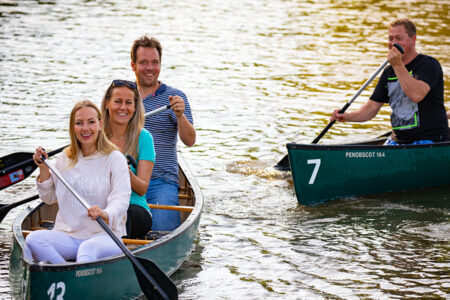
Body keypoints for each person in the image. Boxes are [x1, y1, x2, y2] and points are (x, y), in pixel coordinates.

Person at [25, 100, 130, 264]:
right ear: (73, 127)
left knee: (87, 249)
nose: (85, 128)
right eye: (79, 123)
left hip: (104, 237)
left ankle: (69, 278)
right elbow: (48, 198)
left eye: (91, 122)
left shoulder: (115, 158)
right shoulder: (65, 157)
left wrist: (105, 213)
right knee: (33, 240)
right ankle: (63, 274)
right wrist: (43, 168)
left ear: (100, 124)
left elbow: (121, 199)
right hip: (68, 236)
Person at [331, 18, 449, 145]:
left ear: (413, 40)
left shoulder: (428, 64)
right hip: (398, 141)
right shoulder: (389, 72)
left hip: (430, 140)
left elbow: (417, 95)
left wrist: (398, 65)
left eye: (399, 38)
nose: (393, 43)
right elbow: (371, 107)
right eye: (390, 38)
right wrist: (348, 116)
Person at [130, 36, 196, 231]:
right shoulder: (123, 98)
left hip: (161, 180)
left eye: (155, 62)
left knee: (162, 233)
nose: (150, 68)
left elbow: (190, 141)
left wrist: (180, 115)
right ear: (133, 65)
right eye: (143, 62)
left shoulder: (175, 97)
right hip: (126, 179)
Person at [101, 79, 155, 238]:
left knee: (123, 214)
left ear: (135, 107)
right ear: (107, 104)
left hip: (133, 206)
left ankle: (115, 251)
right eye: (117, 101)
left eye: (128, 103)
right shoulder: (94, 135)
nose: (123, 108)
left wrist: (126, 174)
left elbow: (142, 188)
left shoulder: (144, 138)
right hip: (100, 204)